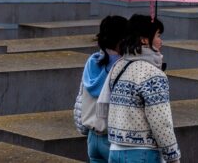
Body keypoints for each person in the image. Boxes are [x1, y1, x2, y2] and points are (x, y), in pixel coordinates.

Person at [107, 14, 181, 163]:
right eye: (158, 35)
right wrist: (173, 156)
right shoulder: (153, 74)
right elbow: (160, 121)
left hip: (115, 151)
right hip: (142, 154)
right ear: (144, 39)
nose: (161, 41)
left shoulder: (118, 66)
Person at [74, 15, 128, 163]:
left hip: (92, 136)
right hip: (112, 137)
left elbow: (81, 97)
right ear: (122, 39)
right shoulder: (123, 66)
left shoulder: (92, 61)